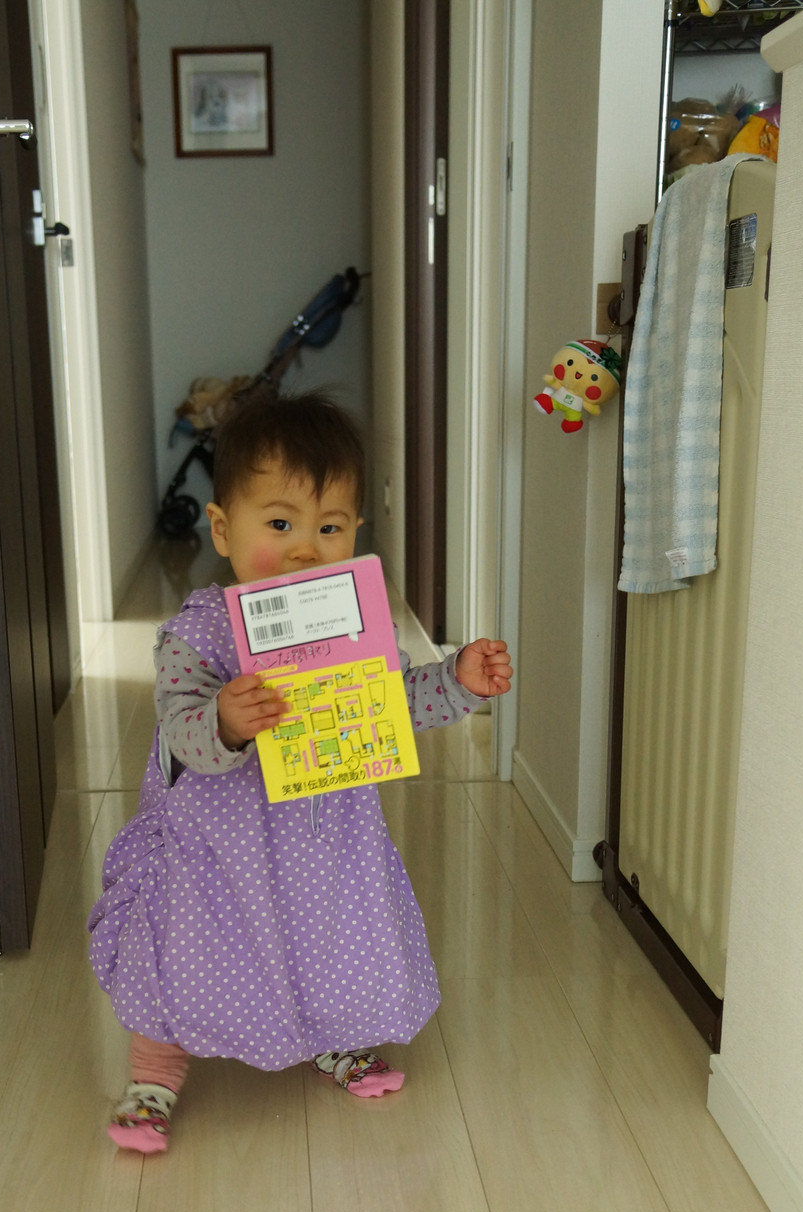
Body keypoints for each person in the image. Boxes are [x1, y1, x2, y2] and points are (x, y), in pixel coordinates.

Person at [88, 392, 512, 1152]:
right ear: (223, 528)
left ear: (357, 532)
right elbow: (181, 728)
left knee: (331, 938)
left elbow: (390, 701)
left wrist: (456, 681)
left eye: (330, 527)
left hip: (323, 837)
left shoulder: (349, 619)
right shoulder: (199, 630)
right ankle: (154, 1075)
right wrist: (224, 719)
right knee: (187, 949)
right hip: (216, 848)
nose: (305, 550)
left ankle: (335, 1040)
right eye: (279, 524)